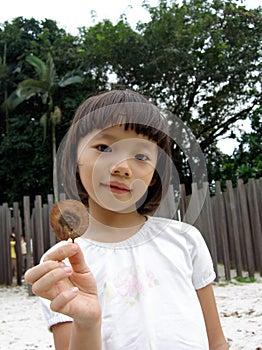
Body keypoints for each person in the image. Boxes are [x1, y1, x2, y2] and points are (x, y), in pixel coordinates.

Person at [25, 89, 228, 350]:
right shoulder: (63, 266)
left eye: (141, 156)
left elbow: (217, 342)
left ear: (155, 172)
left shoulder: (185, 240)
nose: (122, 166)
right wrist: (87, 324)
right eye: (104, 147)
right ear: (76, 157)